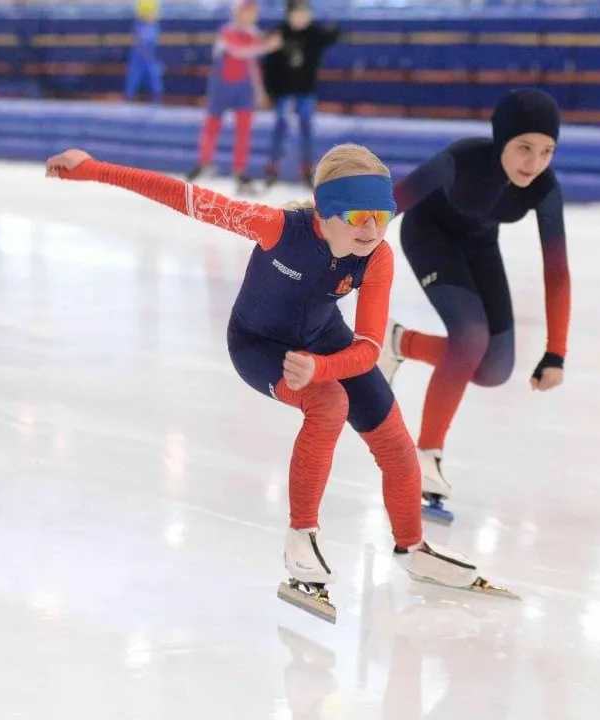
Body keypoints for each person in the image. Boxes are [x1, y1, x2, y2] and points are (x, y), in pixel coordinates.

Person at [45, 142, 517, 623]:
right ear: (327, 212)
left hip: (326, 346)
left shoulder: (377, 257)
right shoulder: (274, 228)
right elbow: (182, 195)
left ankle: (412, 545)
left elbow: (371, 346)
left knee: (394, 439)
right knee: (329, 404)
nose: (373, 229)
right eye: (358, 216)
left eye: (382, 214)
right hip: (258, 346)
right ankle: (301, 541)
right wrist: (95, 169)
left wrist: (322, 365)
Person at [378, 88, 571, 523]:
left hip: (480, 246)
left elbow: (556, 271)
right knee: (470, 337)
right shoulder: (460, 160)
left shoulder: (545, 189)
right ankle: (426, 456)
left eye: (546, 151)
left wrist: (555, 350)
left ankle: (398, 343)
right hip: (430, 236)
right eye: (524, 148)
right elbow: (395, 201)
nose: (534, 162)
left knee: (493, 369)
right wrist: (336, 235)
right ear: (501, 140)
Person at [184, 0, 281, 195]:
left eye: (254, 12)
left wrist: (260, 92)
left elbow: (253, 66)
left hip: (243, 90)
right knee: (212, 126)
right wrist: (266, 47)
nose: (251, 16)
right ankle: (203, 163)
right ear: (238, 13)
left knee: (244, 132)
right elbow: (239, 50)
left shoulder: (254, 35)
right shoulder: (225, 32)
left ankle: (239, 172)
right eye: (248, 12)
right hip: (221, 88)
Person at [260, 0, 340, 188]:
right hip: (285, 91)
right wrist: (271, 91)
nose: (303, 17)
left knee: (306, 129)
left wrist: (334, 26)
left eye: (306, 13)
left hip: (305, 90)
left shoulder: (314, 33)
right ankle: (272, 167)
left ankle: (307, 169)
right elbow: (269, 64)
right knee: (281, 127)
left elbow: (332, 35)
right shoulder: (279, 33)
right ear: (289, 15)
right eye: (298, 13)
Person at [123, 0, 164, 104]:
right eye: (153, 13)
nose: (156, 15)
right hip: (139, 59)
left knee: (155, 82)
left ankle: (156, 101)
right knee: (133, 81)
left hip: (150, 59)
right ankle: (128, 100)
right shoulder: (140, 26)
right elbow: (140, 43)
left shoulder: (155, 27)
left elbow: (154, 45)